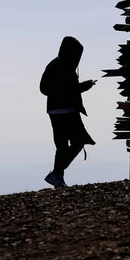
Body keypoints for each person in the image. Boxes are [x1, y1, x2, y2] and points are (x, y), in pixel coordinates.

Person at [40, 36, 97, 188]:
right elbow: (70, 90)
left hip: (54, 111)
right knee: (79, 141)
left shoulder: (53, 64)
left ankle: (58, 178)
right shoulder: (65, 66)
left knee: (62, 146)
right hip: (67, 111)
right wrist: (84, 86)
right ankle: (56, 173)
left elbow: (45, 88)